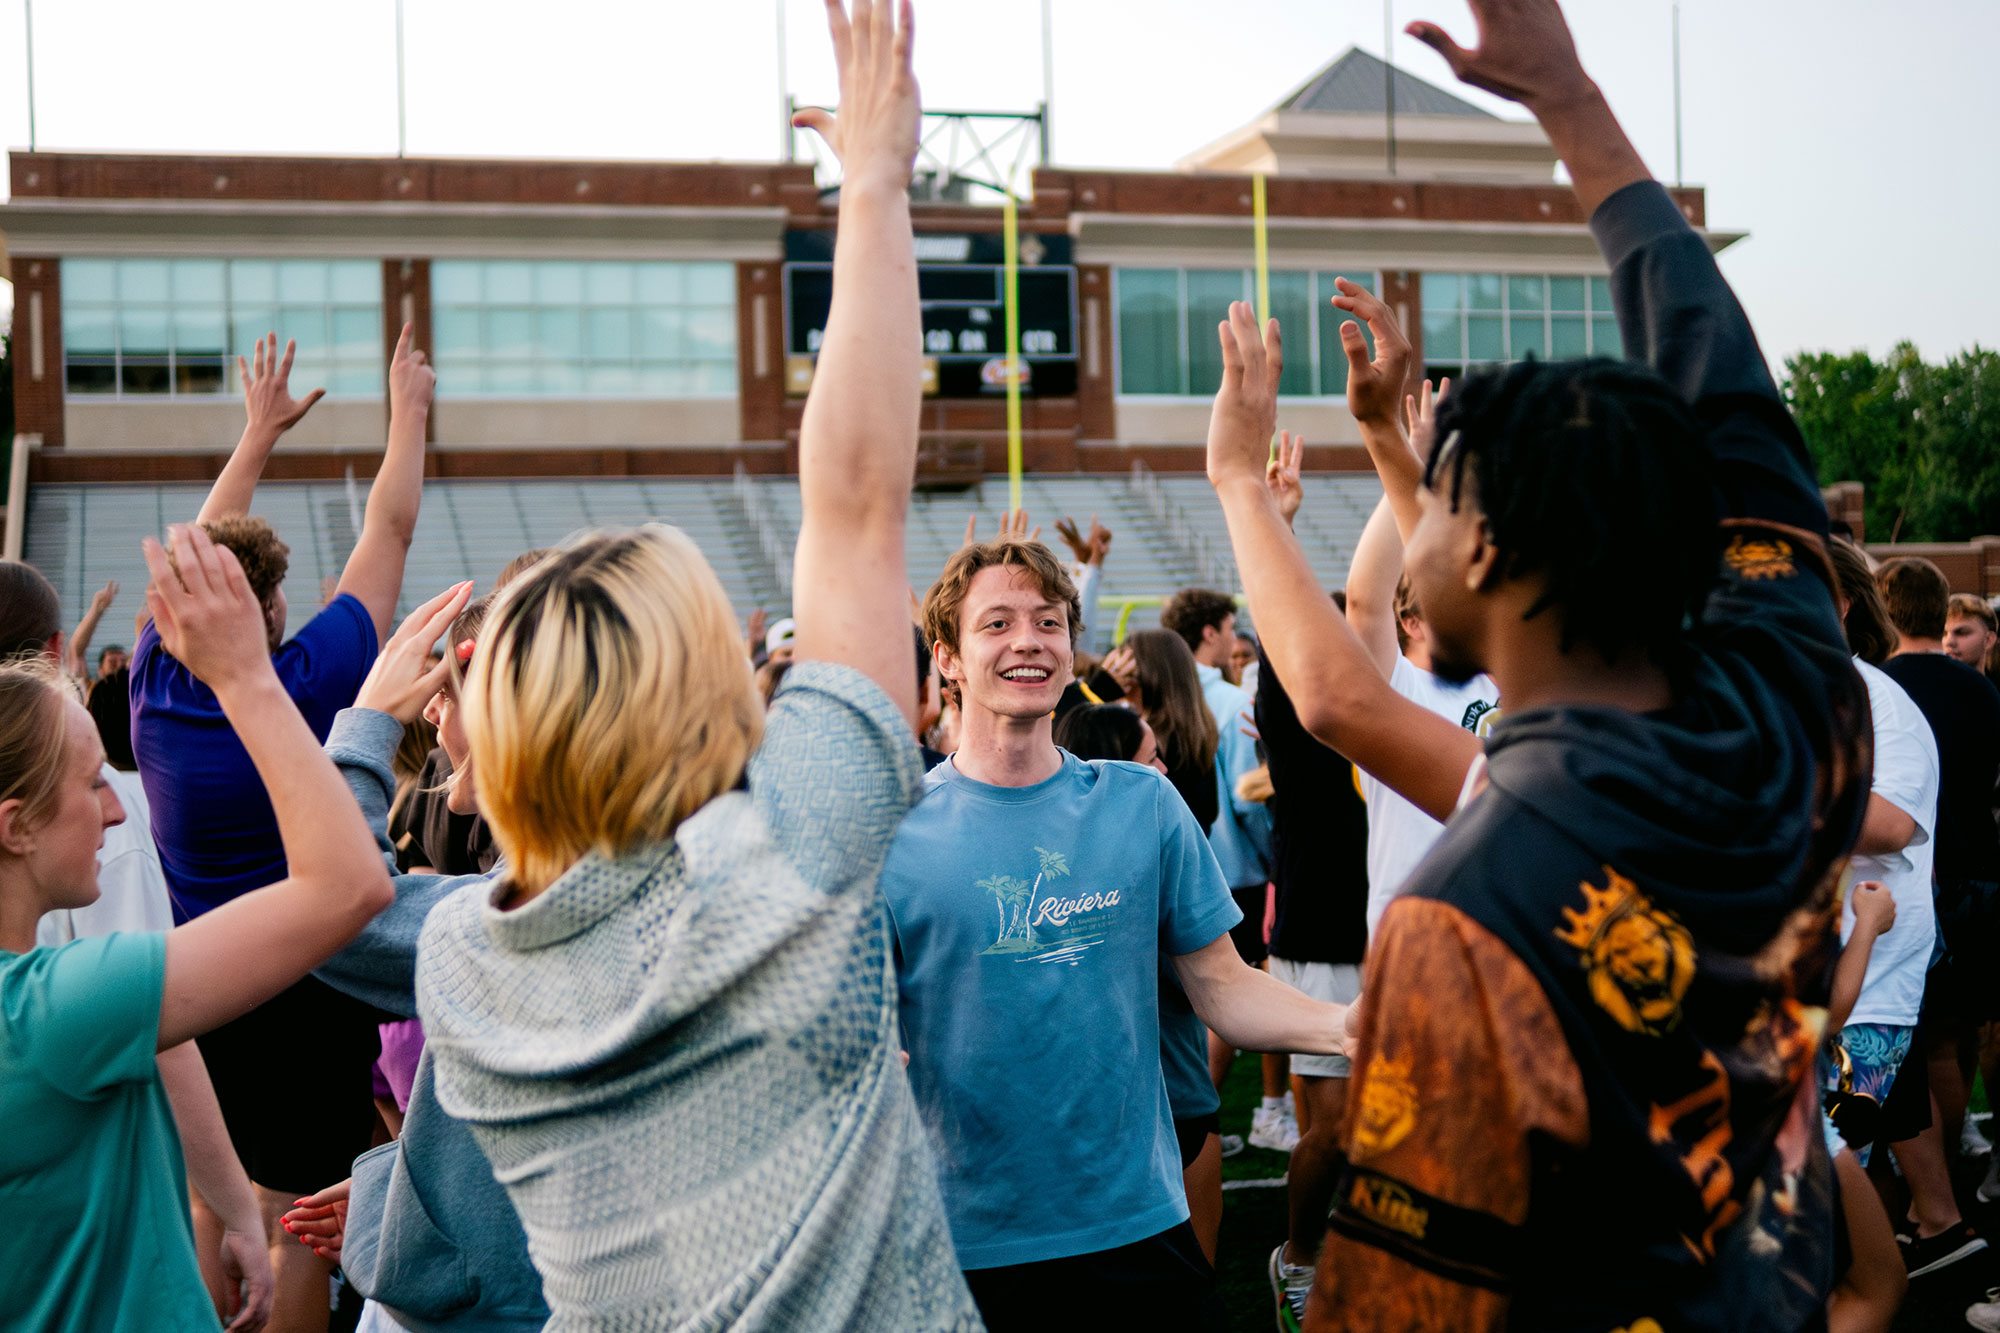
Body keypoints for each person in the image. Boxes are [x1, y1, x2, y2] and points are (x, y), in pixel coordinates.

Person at [1204, 1, 1872, 1324]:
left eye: (1434, 492)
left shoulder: (1468, 912)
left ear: (1490, 548)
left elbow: (1401, 1309)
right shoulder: (1798, 693)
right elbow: (1725, 377)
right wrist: (1568, 99)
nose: (1412, 522)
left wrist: (1235, 480)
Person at [405, 7, 980, 1328]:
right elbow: (856, 505)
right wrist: (876, 187)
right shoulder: (794, 853)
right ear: (704, 688)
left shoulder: (461, 965)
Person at [882, 527, 1344, 1333]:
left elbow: (1223, 986)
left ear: (1071, 646)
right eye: (997, 623)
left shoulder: (1143, 802)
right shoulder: (893, 830)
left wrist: (1348, 1026)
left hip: (1140, 1226)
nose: (1029, 640)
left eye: (1049, 621)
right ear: (947, 657)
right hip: (964, 1243)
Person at [1, 524, 393, 1333]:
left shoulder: (64, 998)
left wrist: (235, 1209)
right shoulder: (52, 1007)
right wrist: (249, 679)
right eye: (92, 784)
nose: (117, 810)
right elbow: (351, 885)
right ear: (16, 826)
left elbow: (168, 1042)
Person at [130, 327, 432, 1332]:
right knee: (297, 1218)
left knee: (215, 1201)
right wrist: (409, 411)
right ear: (267, 608)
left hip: (204, 976)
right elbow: (388, 533)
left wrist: (256, 433)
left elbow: (194, 555)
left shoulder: (152, 684)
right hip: (307, 982)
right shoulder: (308, 683)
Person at [1253, 436, 1374, 1329]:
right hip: (1326, 938)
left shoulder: (1399, 720)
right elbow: (1278, 640)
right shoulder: (1305, 728)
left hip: (1390, 938)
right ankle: (1298, 1257)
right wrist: (1280, 528)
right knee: (1330, 1131)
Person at [1053, 702, 1225, 1264]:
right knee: (1191, 1274)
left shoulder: (1082, 865)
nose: (1165, 771)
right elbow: (1214, 982)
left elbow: (1224, 982)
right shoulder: (1133, 862)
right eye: (1152, 758)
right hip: (1171, 1102)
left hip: (1149, 1105)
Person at [1341, 378, 1500, 939]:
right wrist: (1408, 463)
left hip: (1507, 925)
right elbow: (1365, 603)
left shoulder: (1506, 677)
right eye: (1437, 602)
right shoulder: (1399, 687)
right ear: (1410, 622)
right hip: (1419, 934)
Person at [1160, 587, 1286, 1143]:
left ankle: (1190, 1121)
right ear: (1210, 631)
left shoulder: (1158, 694)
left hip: (1175, 870)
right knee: (1233, 990)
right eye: (1231, 627)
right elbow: (1247, 797)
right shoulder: (1233, 703)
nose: (1234, 638)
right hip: (1233, 869)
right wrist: (1271, 856)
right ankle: (1220, 1117)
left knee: (1184, 999)